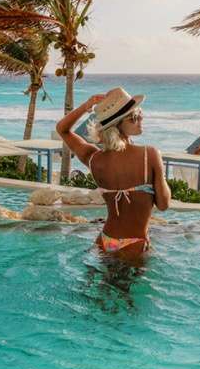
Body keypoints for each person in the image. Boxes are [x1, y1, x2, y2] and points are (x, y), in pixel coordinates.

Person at [56, 87, 170, 258]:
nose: (141, 118)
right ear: (118, 125)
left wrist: (86, 106)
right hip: (135, 243)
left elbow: (62, 129)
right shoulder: (150, 155)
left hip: (105, 240)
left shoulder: (93, 158)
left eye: (139, 113)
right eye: (134, 116)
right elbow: (163, 205)